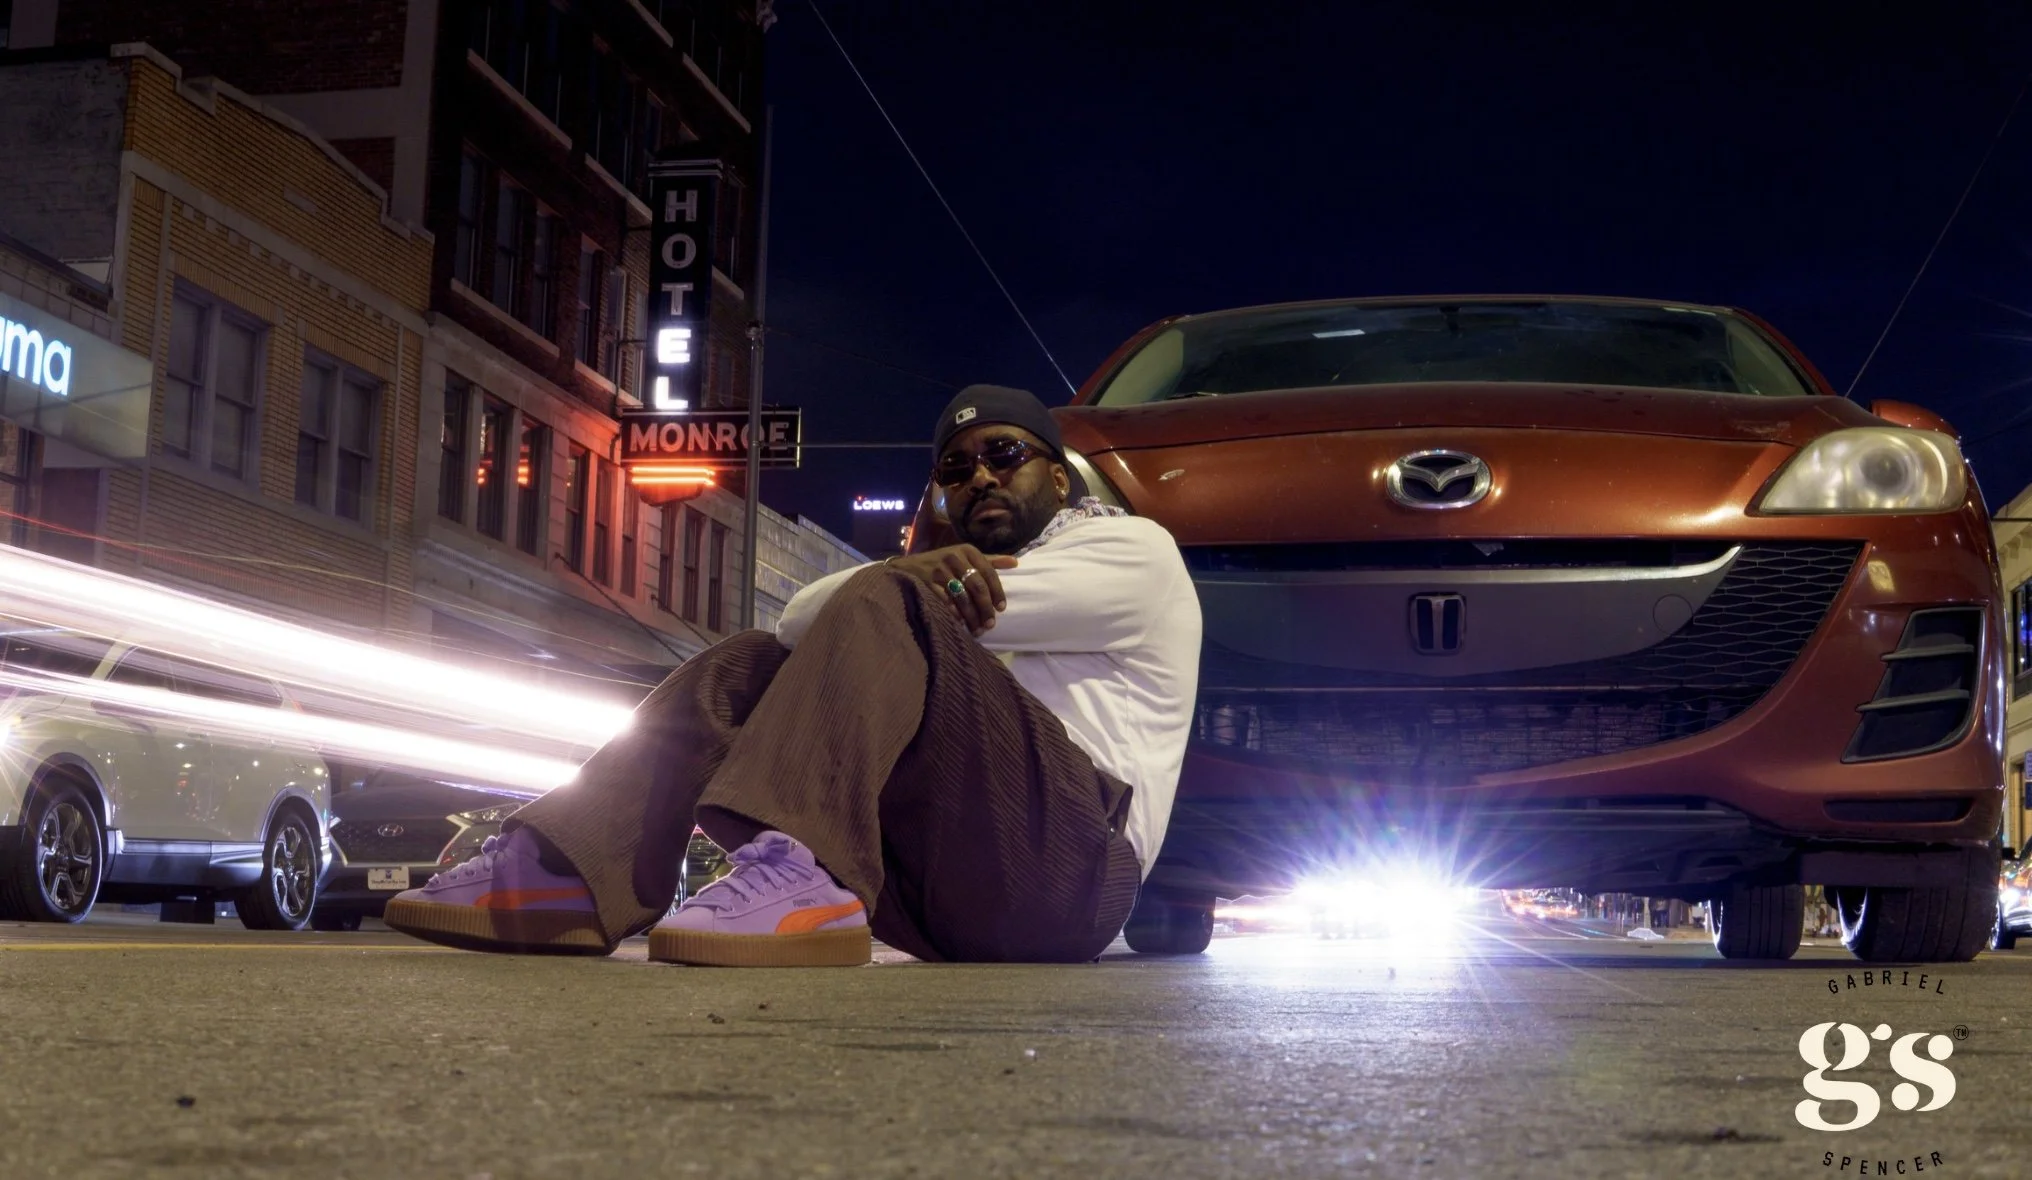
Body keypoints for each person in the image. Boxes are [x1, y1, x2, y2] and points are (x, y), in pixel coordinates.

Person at [385, 384, 1202, 965]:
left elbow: (867, 604)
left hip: (1077, 873)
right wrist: (910, 580)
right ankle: (564, 876)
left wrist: (906, 582)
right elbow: (795, 623)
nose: (978, 476)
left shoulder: (1131, 552)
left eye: (1004, 455)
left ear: (1058, 477)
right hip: (944, 894)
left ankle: (806, 874)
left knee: (891, 594)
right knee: (750, 662)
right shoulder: (941, 577)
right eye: (954, 469)